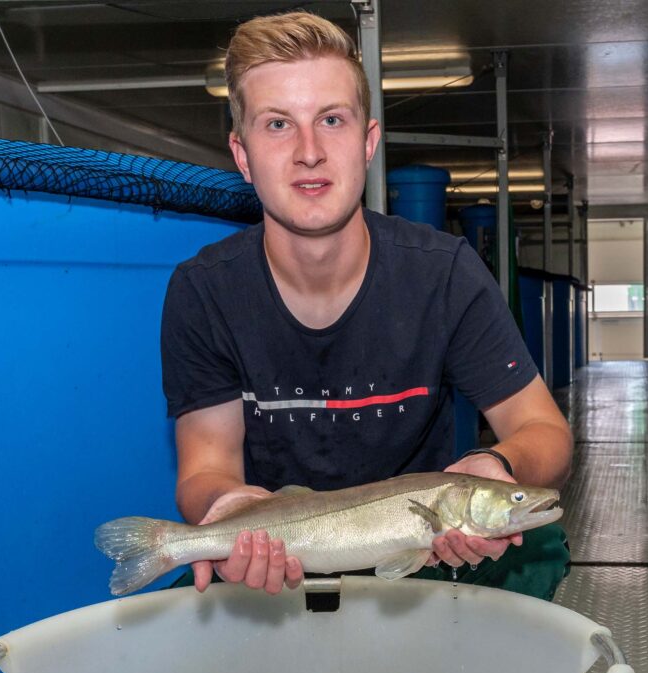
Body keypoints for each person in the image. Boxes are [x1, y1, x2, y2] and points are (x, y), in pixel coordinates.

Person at [161, 10, 572, 600]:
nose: (309, 151)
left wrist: (497, 468)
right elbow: (205, 468)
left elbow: (543, 430)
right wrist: (230, 506)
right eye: (278, 124)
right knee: (185, 602)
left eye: (331, 119)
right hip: (276, 562)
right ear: (243, 154)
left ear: (368, 141)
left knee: (536, 547)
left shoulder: (444, 274)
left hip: (426, 552)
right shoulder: (204, 292)